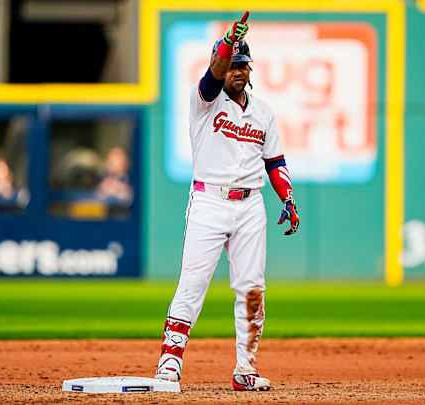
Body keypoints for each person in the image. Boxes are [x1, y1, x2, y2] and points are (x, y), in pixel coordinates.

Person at [154, 12, 300, 391]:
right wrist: (227, 44)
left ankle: (245, 369)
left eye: (242, 64)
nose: (236, 70)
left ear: (251, 70)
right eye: (231, 64)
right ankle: (170, 360)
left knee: (252, 289)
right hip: (210, 201)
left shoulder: (264, 112)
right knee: (193, 282)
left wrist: (287, 198)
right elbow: (212, 73)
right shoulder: (204, 100)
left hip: (251, 205)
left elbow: (275, 161)